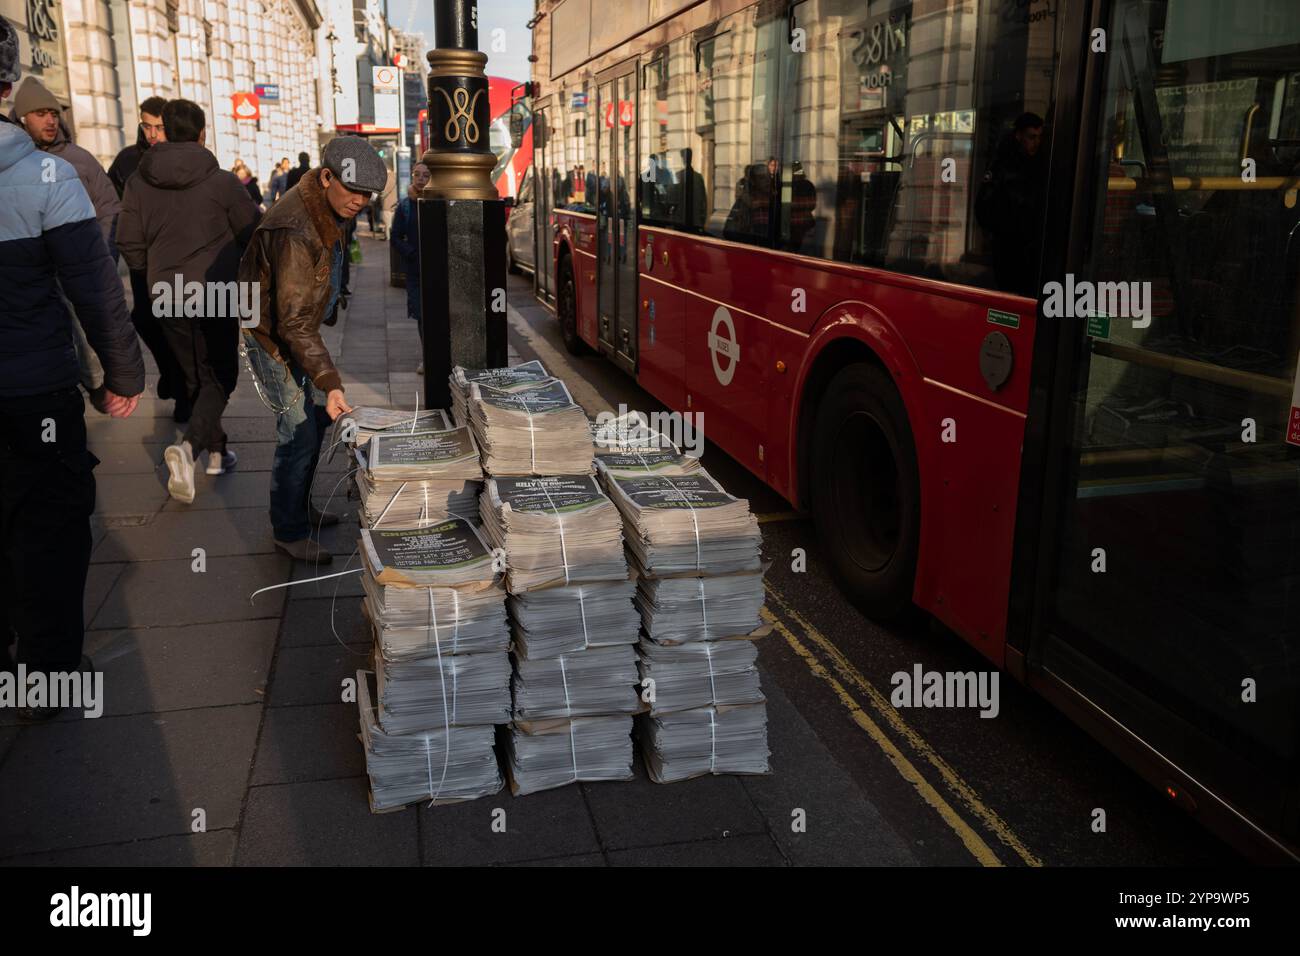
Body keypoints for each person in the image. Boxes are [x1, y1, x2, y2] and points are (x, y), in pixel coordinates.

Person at [1, 18, 145, 718]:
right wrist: (120, 376)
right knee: (51, 529)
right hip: (33, 392)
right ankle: (48, 673)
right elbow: (94, 286)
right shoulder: (44, 175)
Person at [238, 136, 387, 562]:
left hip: (291, 328)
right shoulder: (296, 228)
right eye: (353, 190)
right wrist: (331, 381)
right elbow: (293, 322)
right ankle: (288, 529)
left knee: (314, 423)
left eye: (367, 194)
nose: (360, 201)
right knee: (298, 432)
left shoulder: (322, 207)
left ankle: (301, 508)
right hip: (270, 336)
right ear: (326, 177)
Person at [117, 98, 261, 502]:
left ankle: (216, 452)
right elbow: (253, 232)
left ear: (163, 130)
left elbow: (127, 241)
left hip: (166, 292)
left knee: (195, 376)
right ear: (201, 134)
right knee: (221, 376)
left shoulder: (138, 181)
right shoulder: (222, 182)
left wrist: (153, 272)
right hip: (218, 290)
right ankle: (189, 448)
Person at [107, 95, 188, 421]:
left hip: (177, 261)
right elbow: (110, 207)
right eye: (147, 125)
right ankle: (170, 373)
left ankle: (182, 392)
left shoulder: (183, 158)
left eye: (159, 126)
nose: (152, 133)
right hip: (141, 261)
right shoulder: (128, 160)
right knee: (144, 318)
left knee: (176, 327)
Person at [975, 112, 1047, 296]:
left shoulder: (1041, 164)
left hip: (1032, 250)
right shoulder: (1002, 166)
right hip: (1008, 249)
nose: (1036, 143)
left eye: (1039, 137)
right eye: (1031, 137)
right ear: (1019, 136)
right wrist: (1005, 229)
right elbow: (983, 208)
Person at [391, 162, 430, 355]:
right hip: (415, 269)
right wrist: (411, 252)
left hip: (436, 268)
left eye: (425, 175)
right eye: (417, 175)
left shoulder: (436, 200)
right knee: (422, 315)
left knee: (436, 315)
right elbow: (395, 237)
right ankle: (427, 356)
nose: (421, 179)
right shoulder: (405, 205)